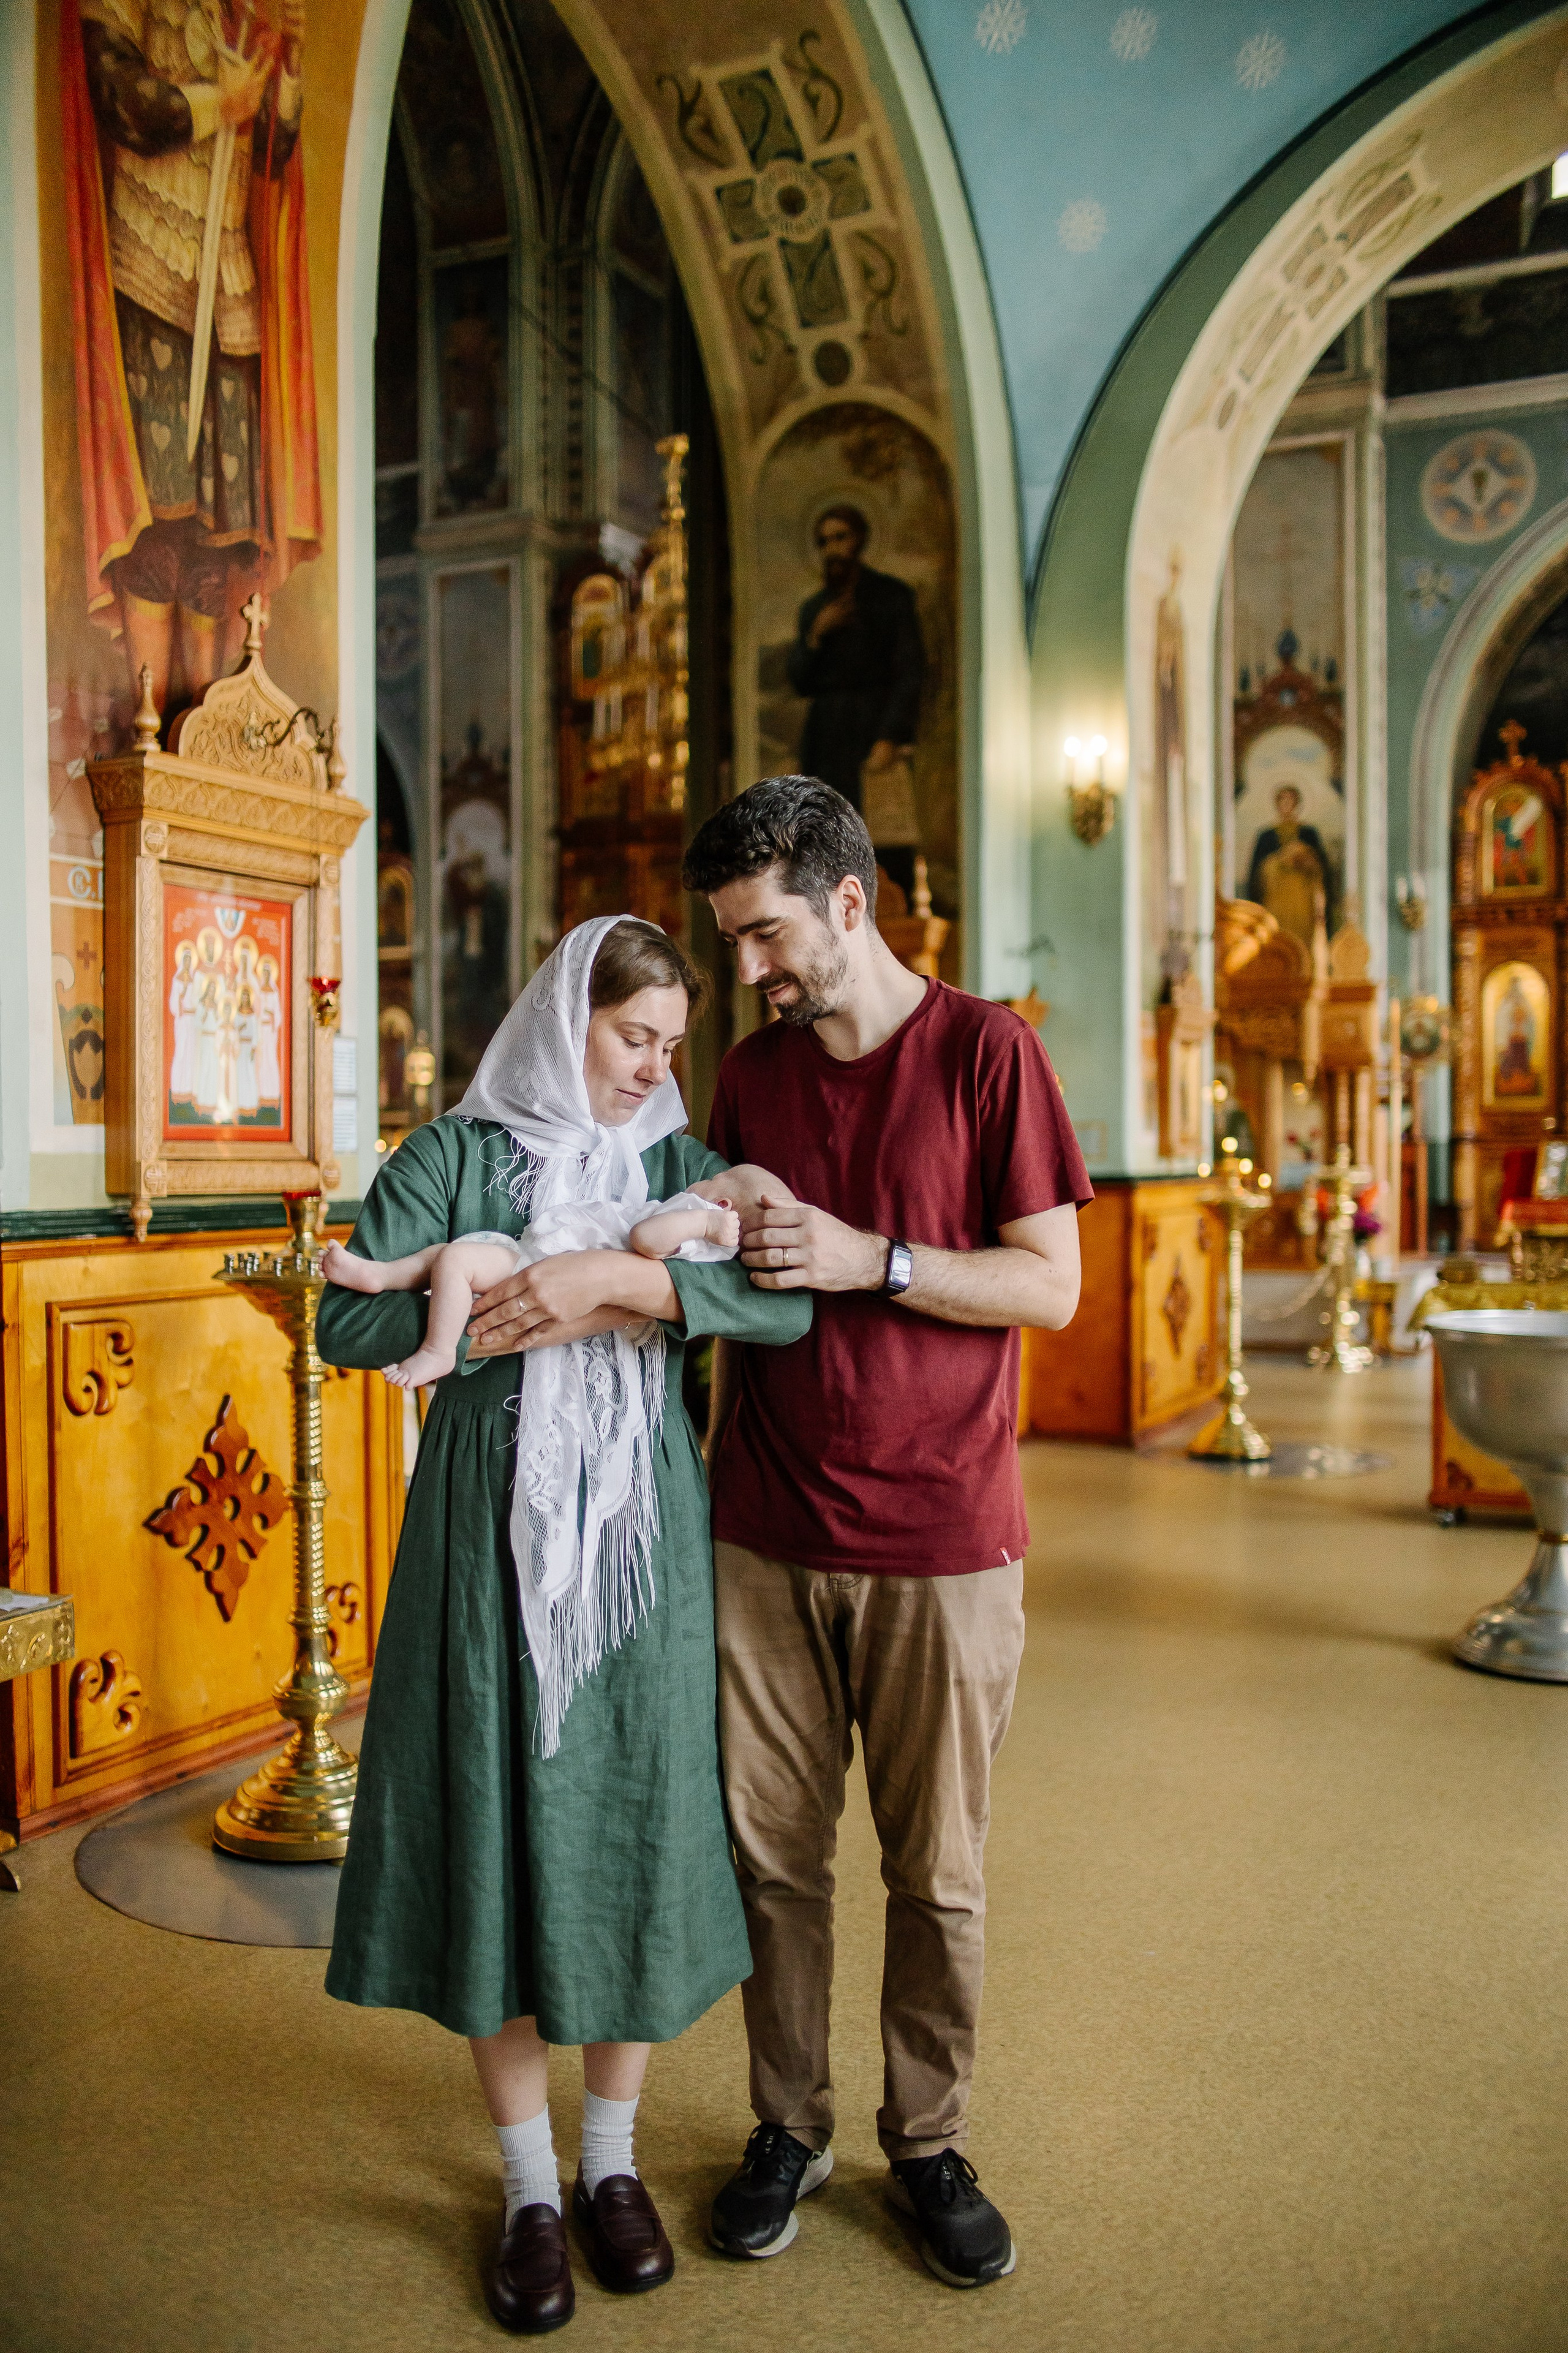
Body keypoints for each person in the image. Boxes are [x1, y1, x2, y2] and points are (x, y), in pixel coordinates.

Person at [319, 915, 811, 2335]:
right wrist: (497, 1308)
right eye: (627, 1037)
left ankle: (613, 2162)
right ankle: (529, 2182)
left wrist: (617, 1288)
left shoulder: (672, 1165)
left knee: (638, 1815)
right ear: (562, 1016)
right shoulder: (456, 1155)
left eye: (667, 1044)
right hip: (483, 1536)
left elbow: (773, 1305)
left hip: (637, 1546)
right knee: (501, 1822)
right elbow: (347, 1330)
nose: (647, 1066)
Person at [681, 776, 1091, 2293]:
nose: (750, 969)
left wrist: (874, 1258)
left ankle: (925, 2138)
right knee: (769, 1862)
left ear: (849, 903)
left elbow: (1046, 1284)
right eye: (732, 940)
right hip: (763, 1526)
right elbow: (719, 1276)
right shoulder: (749, 1071)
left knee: (938, 1871)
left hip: (943, 1534)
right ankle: (782, 2123)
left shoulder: (989, 1052)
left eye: (768, 932)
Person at [321, 1169, 780, 1388]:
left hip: (539, 1263)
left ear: (722, 1208)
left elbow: (647, 1237)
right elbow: (343, 1330)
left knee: (455, 1262)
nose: (706, 1177)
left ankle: (439, 1349)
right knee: (449, 1258)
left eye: (717, 1180)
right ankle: (378, 1274)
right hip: (536, 1254)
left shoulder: (699, 1223)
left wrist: (701, 1224)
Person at [787, 505, 924, 894]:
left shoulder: (891, 597)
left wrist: (891, 736)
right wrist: (815, 636)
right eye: (825, 541)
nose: (833, 549)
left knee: (884, 840)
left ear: (859, 540)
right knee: (826, 838)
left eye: (840, 538)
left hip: (873, 728)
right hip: (826, 738)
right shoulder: (814, 610)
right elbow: (800, 682)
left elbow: (910, 671)